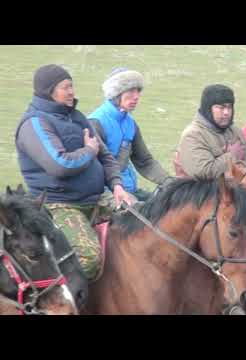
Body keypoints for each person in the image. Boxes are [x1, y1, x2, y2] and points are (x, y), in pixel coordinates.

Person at [15, 64, 132, 281]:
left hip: (97, 199)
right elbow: (59, 165)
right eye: (65, 87)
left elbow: (105, 156)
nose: (72, 92)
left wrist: (117, 186)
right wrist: (88, 150)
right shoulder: (34, 123)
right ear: (48, 91)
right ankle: (68, 303)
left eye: (72, 86)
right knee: (88, 258)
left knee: (146, 223)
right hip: (60, 205)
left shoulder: (77, 116)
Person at [89, 68, 172, 202]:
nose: (137, 96)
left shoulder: (130, 124)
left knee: (171, 205)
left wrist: (170, 183)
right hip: (107, 194)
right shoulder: (96, 122)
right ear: (115, 92)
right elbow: (94, 169)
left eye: (138, 91)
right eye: (131, 90)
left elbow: (145, 161)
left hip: (130, 190)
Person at [174, 84, 246, 178]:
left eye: (229, 107)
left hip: (236, 189)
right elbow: (202, 172)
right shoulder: (193, 135)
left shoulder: (235, 131)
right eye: (221, 107)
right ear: (208, 109)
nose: (226, 112)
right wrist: (232, 156)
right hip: (200, 191)